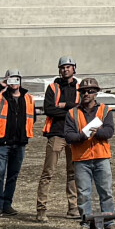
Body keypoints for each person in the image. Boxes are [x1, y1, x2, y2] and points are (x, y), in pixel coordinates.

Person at [57, 81, 115, 229]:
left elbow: (109, 131)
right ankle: (86, 223)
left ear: (95, 93)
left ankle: (109, 222)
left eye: (89, 91)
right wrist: (82, 136)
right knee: (83, 194)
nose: (86, 94)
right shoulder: (72, 113)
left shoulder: (105, 110)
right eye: (83, 91)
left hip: (101, 156)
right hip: (81, 159)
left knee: (106, 192)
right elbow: (68, 135)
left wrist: (98, 133)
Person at [36, 57, 83, 218]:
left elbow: (82, 108)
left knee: (73, 173)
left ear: (74, 68)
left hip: (74, 135)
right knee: (48, 172)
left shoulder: (80, 88)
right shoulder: (52, 87)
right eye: (63, 67)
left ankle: (73, 208)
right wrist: (71, 110)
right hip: (56, 134)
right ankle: (41, 209)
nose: (65, 70)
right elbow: (49, 110)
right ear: (59, 70)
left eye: (68, 67)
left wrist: (64, 105)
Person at [0, 70, 35, 216]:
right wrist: (1, 85)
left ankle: (7, 204)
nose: (14, 82)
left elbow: (32, 118)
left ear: (20, 80)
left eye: (16, 79)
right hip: (2, 143)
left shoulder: (28, 98)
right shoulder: (1, 97)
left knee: (13, 175)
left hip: (19, 143)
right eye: (11, 79)